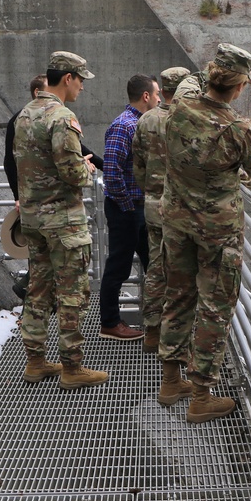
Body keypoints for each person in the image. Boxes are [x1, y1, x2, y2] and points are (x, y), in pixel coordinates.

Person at [158, 44, 251, 422]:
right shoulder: (238, 129)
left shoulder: (177, 107)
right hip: (217, 231)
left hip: (177, 221)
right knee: (215, 307)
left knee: (178, 295)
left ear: (210, 75)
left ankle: (170, 382)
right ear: (241, 88)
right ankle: (201, 396)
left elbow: (191, 84)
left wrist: (236, 71)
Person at [13, 51, 108, 389]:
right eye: (81, 80)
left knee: (38, 288)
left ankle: (35, 362)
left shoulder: (26, 114)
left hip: (33, 219)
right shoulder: (61, 116)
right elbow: (72, 173)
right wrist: (88, 167)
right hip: (63, 222)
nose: (82, 87)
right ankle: (72, 367)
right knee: (72, 293)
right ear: (68, 78)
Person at [3, 75, 103, 299]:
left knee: (41, 271)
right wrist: (89, 168)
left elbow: (79, 149)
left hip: (34, 208)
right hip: (56, 210)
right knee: (66, 279)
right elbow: (73, 169)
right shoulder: (56, 117)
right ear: (38, 93)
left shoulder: (22, 118)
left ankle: (34, 315)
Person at [131, 66, 191, 358]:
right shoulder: (187, 120)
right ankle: (177, 338)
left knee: (155, 267)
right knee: (181, 271)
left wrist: (150, 191)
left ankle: (152, 331)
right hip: (180, 208)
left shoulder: (146, 119)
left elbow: (138, 164)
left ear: (163, 90)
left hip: (153, 205)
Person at [98, 74, 160, 341]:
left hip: (138, 208)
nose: (159, 99)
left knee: (155, 264)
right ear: (145, 96)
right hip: (127, 208)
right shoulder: (124, 126)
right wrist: (127, 206)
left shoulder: (140, 124)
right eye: (157, 94)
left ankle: (156, 323)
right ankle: (110, 323)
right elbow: (111, 172)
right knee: (118, 267)